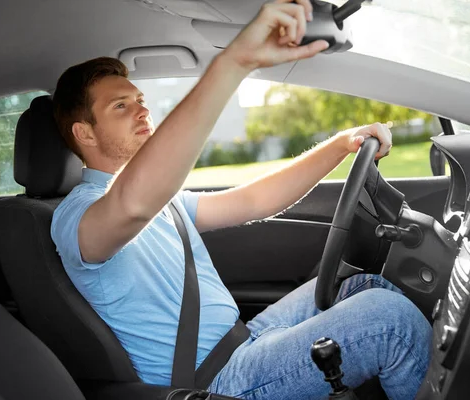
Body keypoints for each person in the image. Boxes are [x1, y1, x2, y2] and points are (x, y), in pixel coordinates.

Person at [50, 1, 432, 398]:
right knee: (392, 322)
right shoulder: (74, 217)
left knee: (362, 285)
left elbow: (254, 201)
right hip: (213, 380)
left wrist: (341, 145)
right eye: (120, 107)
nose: (142, 111)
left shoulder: (165, 202)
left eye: (140, 100)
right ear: (85, 133)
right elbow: (131, 206)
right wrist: (233, 64)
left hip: (242, 339)